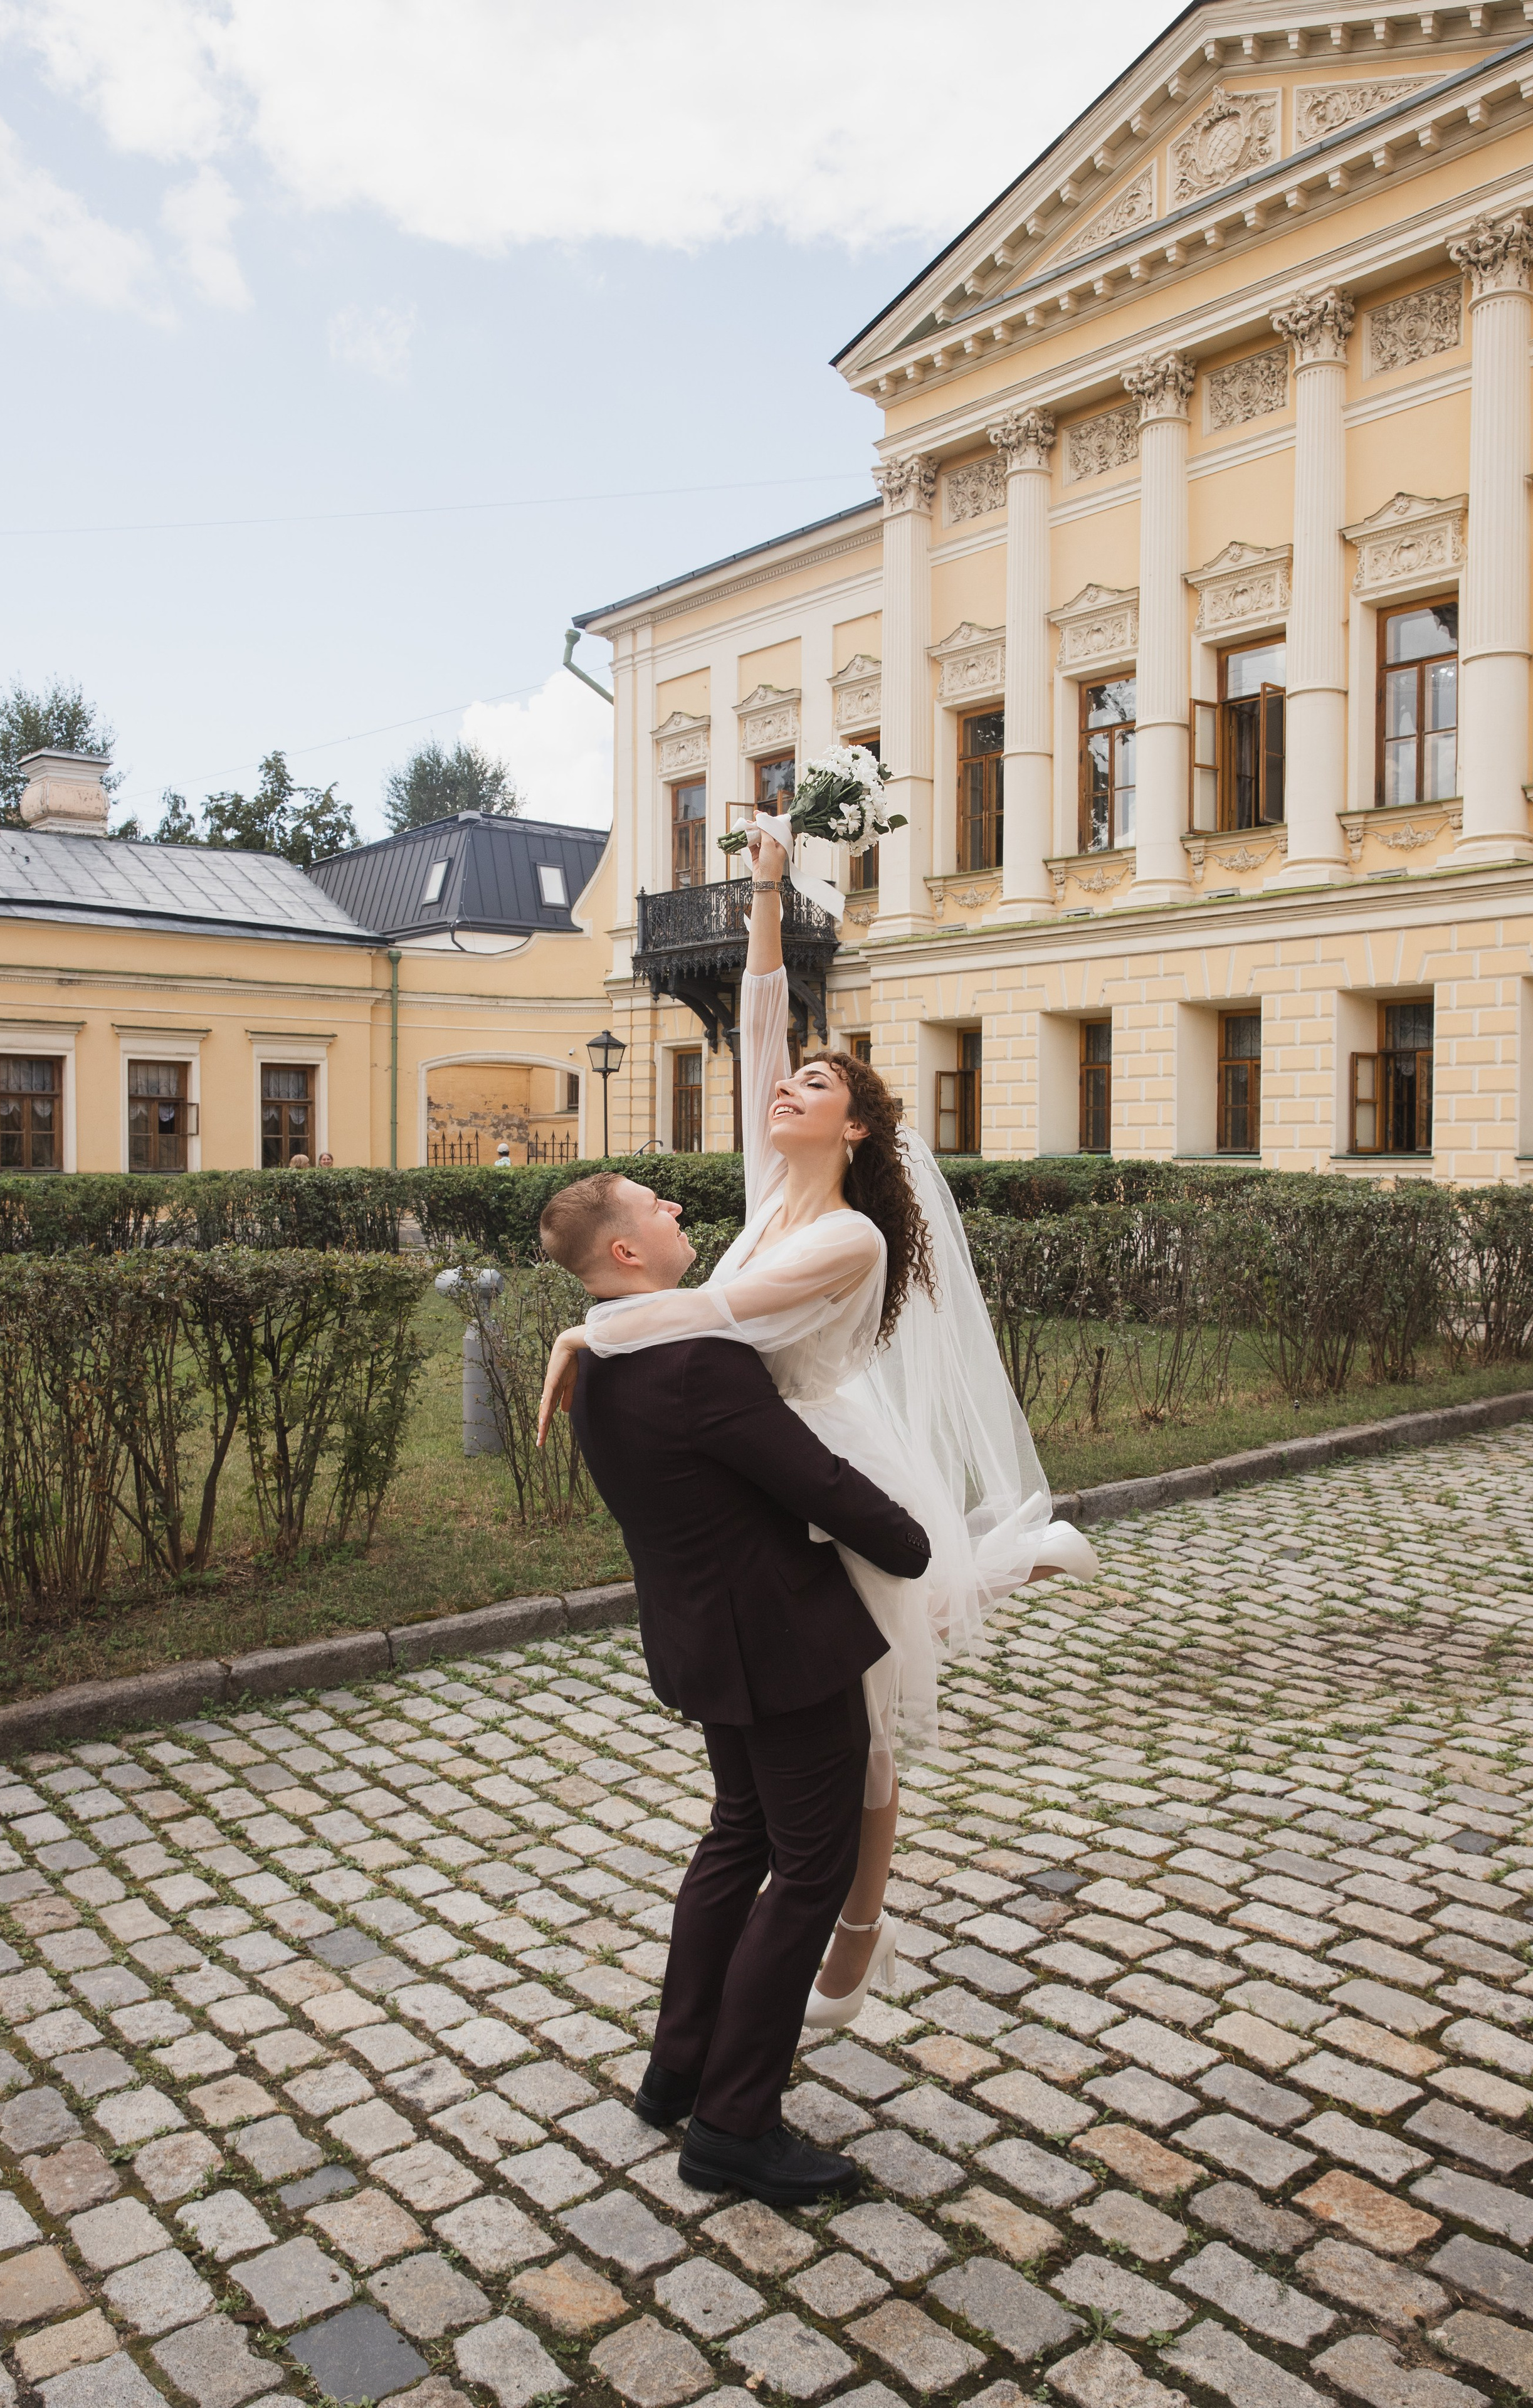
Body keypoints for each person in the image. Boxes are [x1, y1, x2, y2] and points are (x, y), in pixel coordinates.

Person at [539, 824, 1097, 2027]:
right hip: (759, 1457)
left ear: (850, 1131)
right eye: (790, 1080)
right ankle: (1002, 1567)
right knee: (837, 1718)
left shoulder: (849, 1236)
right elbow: (755, 1021)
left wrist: (585, 1329)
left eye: (817, 1084)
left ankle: (858, 1927)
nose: (788, 1084)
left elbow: (714, 1311)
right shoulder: (762, 1191)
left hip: (823, 1450)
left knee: (868, 1721)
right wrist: (769, 892)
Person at [539, 1168, 931, 2205]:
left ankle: (677, 2070)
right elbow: (811, 1478)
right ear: (625, 1252)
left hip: (704, 1639)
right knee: (811, 1869)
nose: (675, 1207)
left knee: (738, 1839)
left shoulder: (605, 1350)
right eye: (652, 1204)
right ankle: (734, 2124)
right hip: (782, 1647)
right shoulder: (691, 1359)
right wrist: (915, 1542)